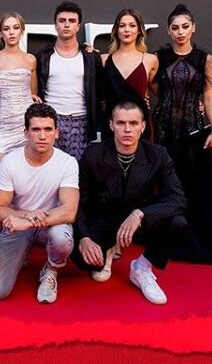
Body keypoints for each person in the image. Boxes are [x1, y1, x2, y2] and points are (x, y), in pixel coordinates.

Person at [73, 101, 188, 304]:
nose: (127, 129)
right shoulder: (94, 153)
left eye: (133, 123)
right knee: (84, 261)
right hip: (104, 218)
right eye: (121, 123)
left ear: (143, 126)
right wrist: (84, 237)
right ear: (111, 125)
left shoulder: (158, 154)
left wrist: (140, 213)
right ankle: (109, 249)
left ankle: (141, 268)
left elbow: (177, 198)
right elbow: (79, 200)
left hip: (139, 219)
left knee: (177, 223)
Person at [0, 103, 79, 303]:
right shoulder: (10, 161)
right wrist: (27, 216)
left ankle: (51, 270)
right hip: (19, 227)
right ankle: (19, 255)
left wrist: (28, 221)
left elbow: (69, 211)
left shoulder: (67, 162)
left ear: (57, 133)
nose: (42, 136)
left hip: (50, 225)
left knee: (62, 238)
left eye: (48, 129)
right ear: (26, 133)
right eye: (36, 129)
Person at [153, 4, 212, 263]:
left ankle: (192, 240)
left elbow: (208, 95)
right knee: (165, 184)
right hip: (163, 129)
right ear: (168, 30)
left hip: (193, 131)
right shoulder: (160, 57)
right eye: (175, 28)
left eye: (185, 27)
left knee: (192, 185)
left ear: (193, 28)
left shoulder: (204, 59)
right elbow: (154, 86)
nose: (180, 32)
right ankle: (165, 238)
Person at [36, 1, 102, 160]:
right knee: (50, 168)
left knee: (79, 170)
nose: (66, 25)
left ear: (78, 26)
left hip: (82, 122)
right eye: (62, 20)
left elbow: (100, 92)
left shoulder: (91, 57)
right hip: (51, 120)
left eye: (72, 21)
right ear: (55, 25)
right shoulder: (43, 56)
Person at [0, 11, 39, 181]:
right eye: (6, 28)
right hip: (1, 126)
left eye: (15, 28)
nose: (11, 32)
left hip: (24, 126)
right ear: (1, 33)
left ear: (22, 30)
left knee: (25, 178)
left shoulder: (30, 60)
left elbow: (33, 93)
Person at [101, 9, 158, 140]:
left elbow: (162, 92)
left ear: (139, 30)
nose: (127, 30)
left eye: (132, 25)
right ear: (116, 30)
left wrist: (196, 101)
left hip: (140, 124)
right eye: (122, 26)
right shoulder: (103, 60)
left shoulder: (150, 60)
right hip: (113, 124)